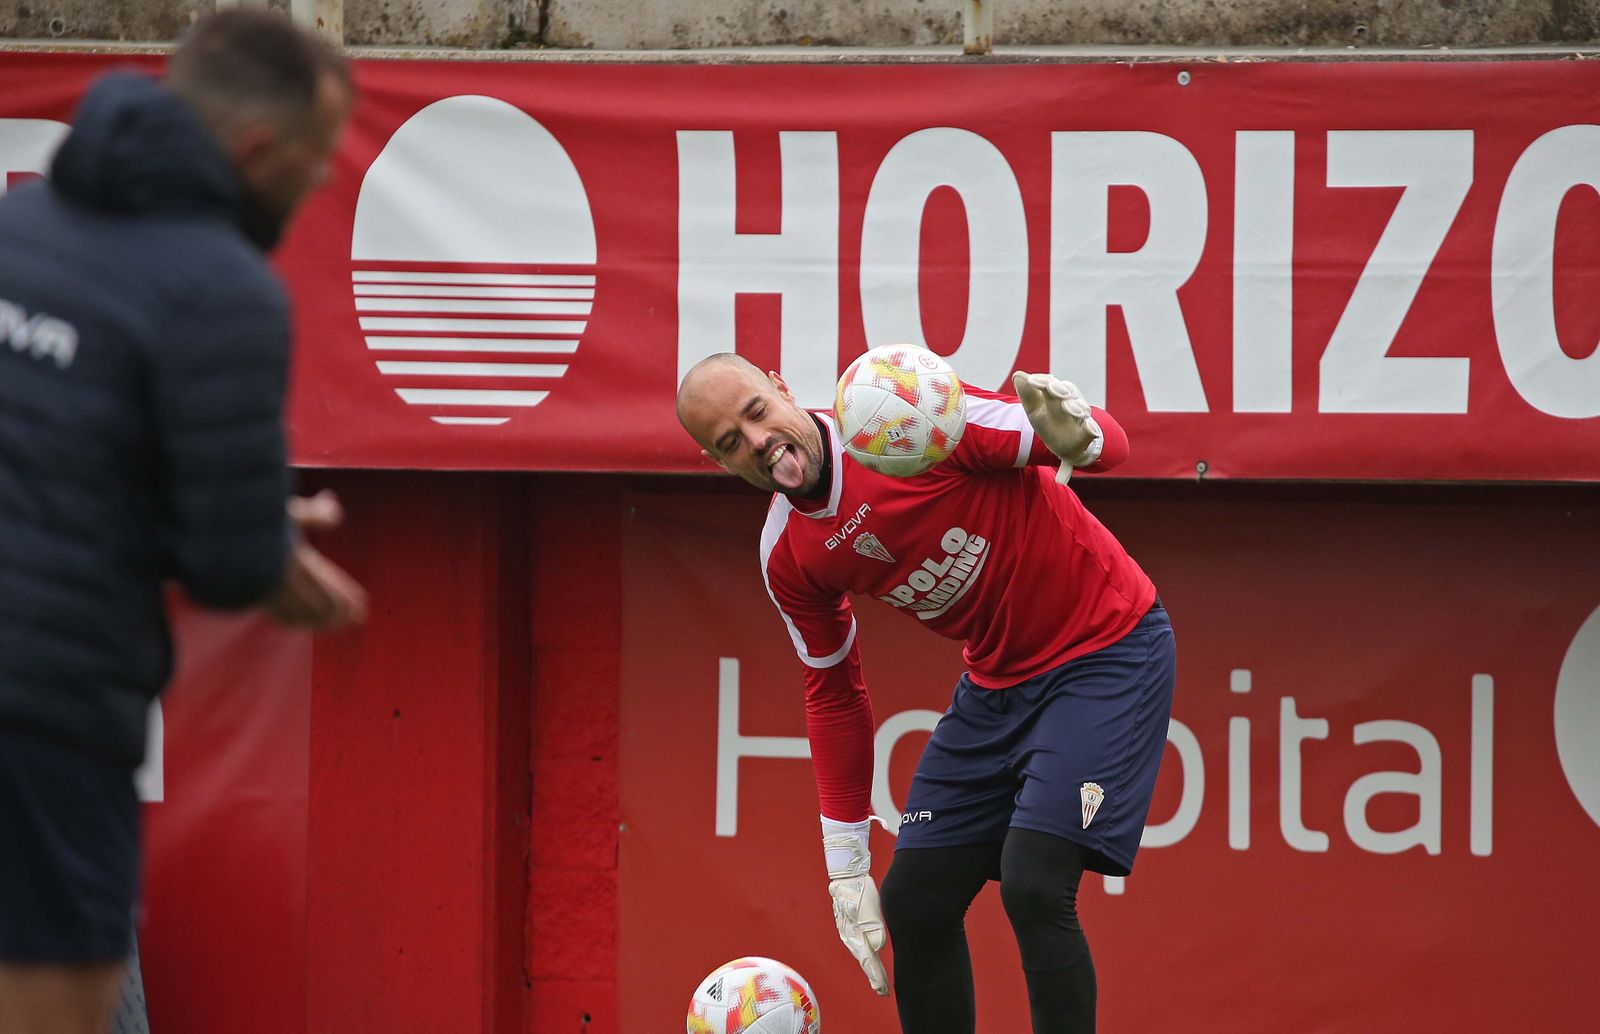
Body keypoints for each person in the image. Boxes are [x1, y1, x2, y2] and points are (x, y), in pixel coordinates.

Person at [0, 11, 366, 1034]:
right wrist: (268, 537)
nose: (325, 182)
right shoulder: (227, 291)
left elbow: (61, 449)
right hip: (44, 712)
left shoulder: (16, 227)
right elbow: (230, 559)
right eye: (317, 160)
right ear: (258, 151)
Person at [676, 351, 1177, 1033]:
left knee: (1034, 882)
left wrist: (1080, 435)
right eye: (731, 443)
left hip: (1107, 647)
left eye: (757, 412)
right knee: (911, 904)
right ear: (718, 462)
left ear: (782, 388)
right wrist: (845, 869)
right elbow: (833, 693)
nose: (759, 442)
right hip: (997, 681)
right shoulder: (787, 552)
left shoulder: (902, 415)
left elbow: (1108, 446)